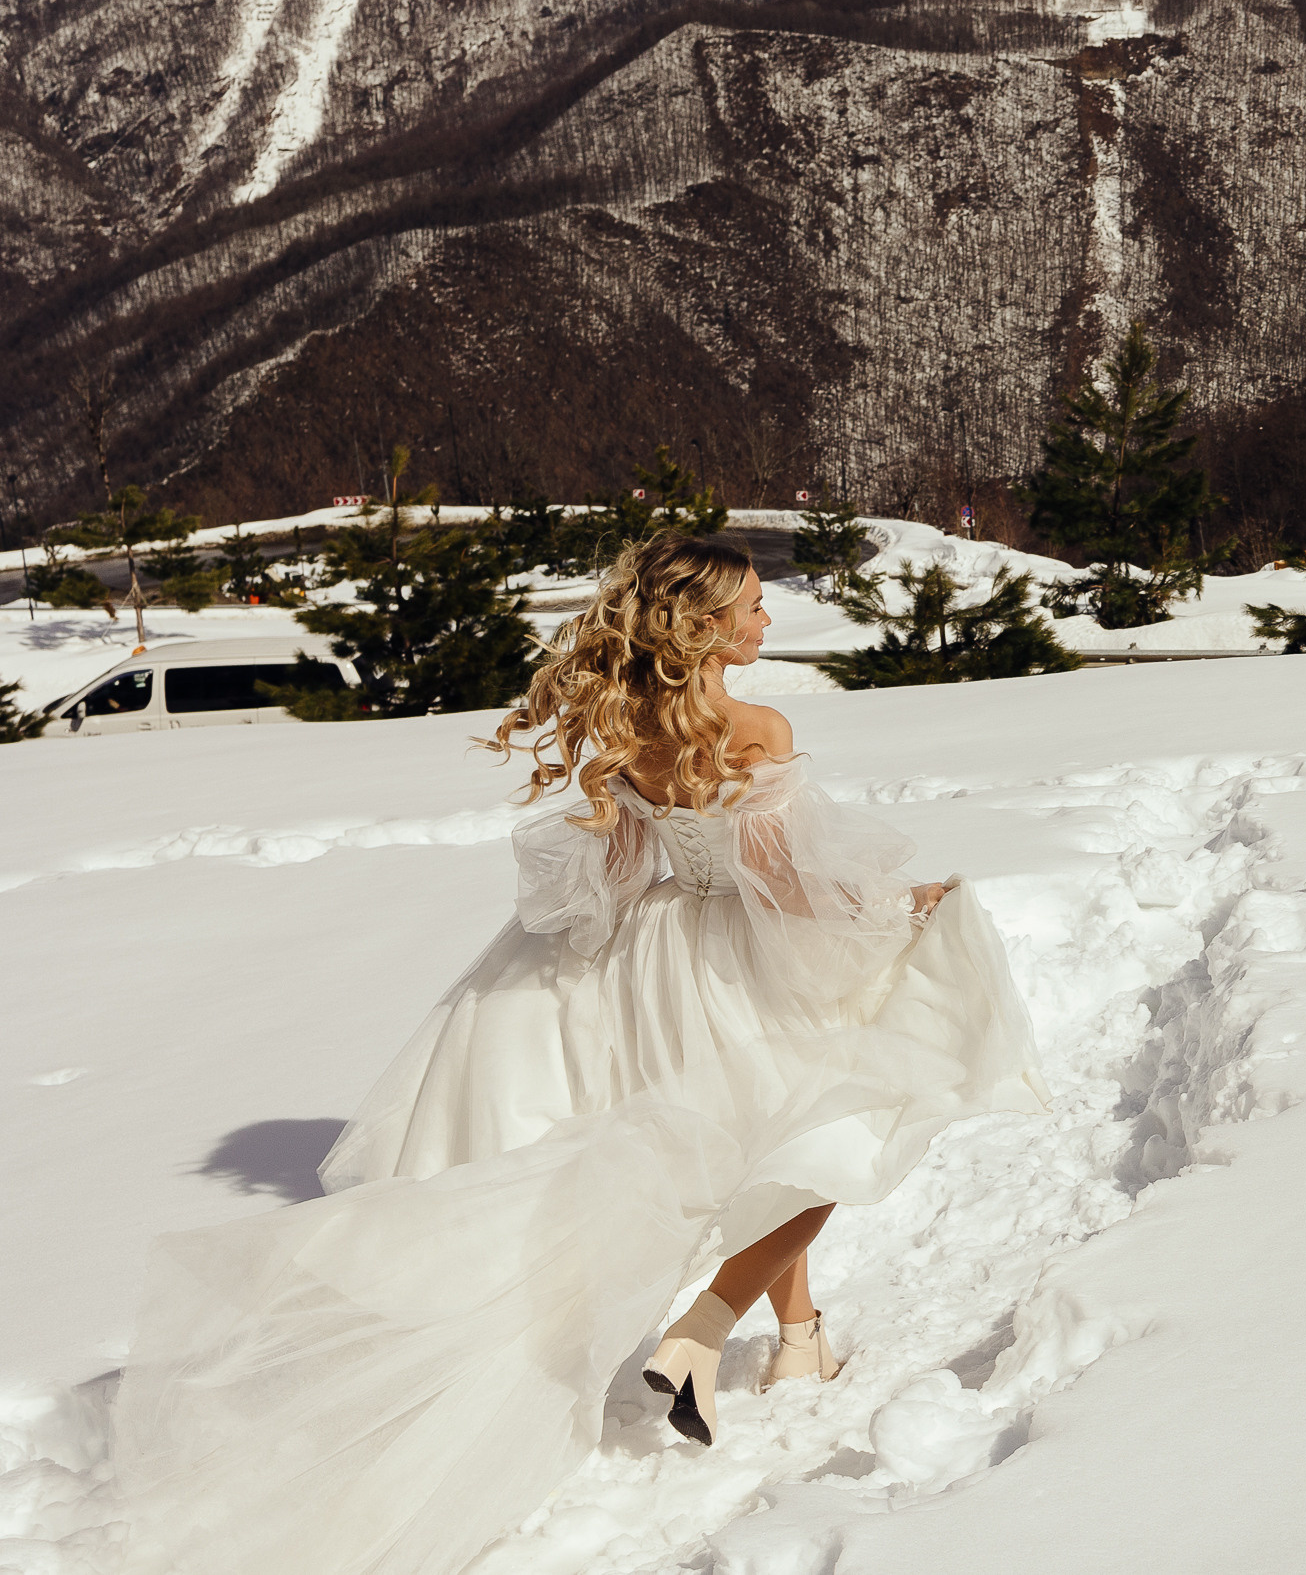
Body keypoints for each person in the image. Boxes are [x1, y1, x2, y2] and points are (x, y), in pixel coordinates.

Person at [109, 532, 1051, 1575]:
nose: (765, 621)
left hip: (653, 958)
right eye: (747, 607)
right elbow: (787, 891)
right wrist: (900, 905)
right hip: (743, 958)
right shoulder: (756, 727)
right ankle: (700, 1332)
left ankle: (801, 1339)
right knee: (836, 1129)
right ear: (699, 624)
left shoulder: (627, 721)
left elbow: (620, 860)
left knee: (763, 1141)